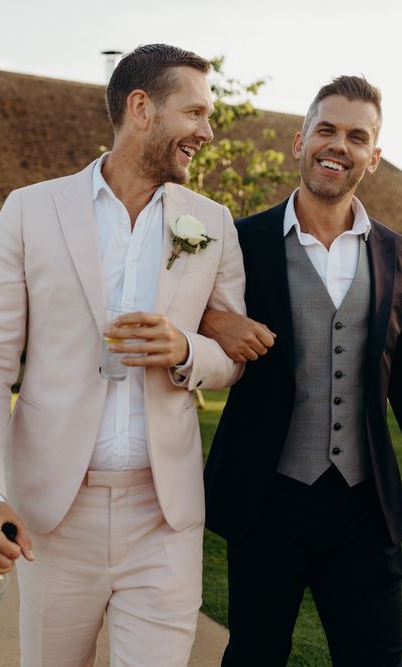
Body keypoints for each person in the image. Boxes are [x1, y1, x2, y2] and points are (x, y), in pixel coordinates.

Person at [0, 44, 245, 666]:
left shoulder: (213, 223)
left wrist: (184, 349)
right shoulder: (31, 210)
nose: (207, 131)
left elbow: (229, 357)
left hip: (163, 517)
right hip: (53, 517)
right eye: (194, 113)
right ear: (141, 108)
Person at [200, 76, 402, 666]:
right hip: (268, 499)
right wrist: (214, 320)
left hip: (368, 507)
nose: (339, 146)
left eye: (356, 136)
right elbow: (180, 313)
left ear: (374, 155)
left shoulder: (396, 255)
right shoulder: (239, 242)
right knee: (255, 655)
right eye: (327, 130)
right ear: (299, 141)